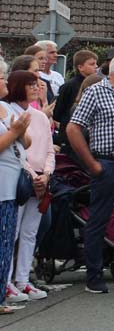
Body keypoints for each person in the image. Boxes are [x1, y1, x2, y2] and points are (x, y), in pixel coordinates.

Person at [66, 51, 114, 293]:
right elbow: (73, 128)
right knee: (99, 218)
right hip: (107, 162)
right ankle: (94, 275)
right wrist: (91, 163)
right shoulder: (96, 91)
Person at [5, 73, 53, 302]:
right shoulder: (9, 111)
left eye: (37, 84)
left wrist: (46, 174)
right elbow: (16, 151)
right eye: (31, 85)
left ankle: (23, 281)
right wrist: (33, 175)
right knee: (11, 233)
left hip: (40, 179)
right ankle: (6, 282)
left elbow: (49, 149)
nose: (36, 88)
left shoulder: (40, 117)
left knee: (29, 232)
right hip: (21, 179)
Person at [0, 73, 30, 314]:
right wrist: (14, 132)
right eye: (1, 77)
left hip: (11, 187)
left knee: (7, 241)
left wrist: (20, 130)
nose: (5, 83)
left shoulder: (4, 107)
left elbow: (26, 141)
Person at [52, 49, 98, 142]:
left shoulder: (97, 84)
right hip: (69, 136)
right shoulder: (69, 86)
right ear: (80, 67)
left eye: (96, 64)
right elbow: (57, 113)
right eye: (92, 64)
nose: (96, 66)